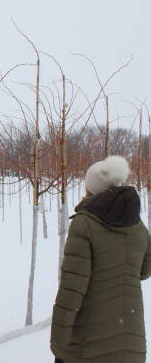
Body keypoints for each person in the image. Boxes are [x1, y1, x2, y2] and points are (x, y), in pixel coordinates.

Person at [51, 156, 151, 363]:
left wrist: (58, 342)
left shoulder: (84, 224)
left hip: (89, 345)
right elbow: (144, 271)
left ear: (90, 189)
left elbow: (72, 289)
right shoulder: (138, 226)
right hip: (131, 343)